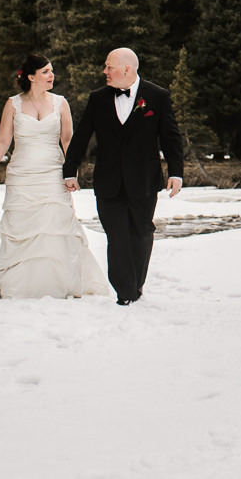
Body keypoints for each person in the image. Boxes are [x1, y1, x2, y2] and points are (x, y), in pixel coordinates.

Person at [0, 55, 110, 299]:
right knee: (23, 227)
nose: (52, 76)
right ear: (31, 77)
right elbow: (3, 140)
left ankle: (60, 282)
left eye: (52, 71)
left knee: (55, 225)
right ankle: (22, 285)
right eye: (46, 72)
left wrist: (71, 173)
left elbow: (68, 140)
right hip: (22, 174)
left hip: (53, 172)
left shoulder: (60, 103)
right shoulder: (13, 104)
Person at [63, 47, 184, 305]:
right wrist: (70, 169)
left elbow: (171, 137)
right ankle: (125, 292)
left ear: (126, 69)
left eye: (109, 67)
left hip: (144, 180)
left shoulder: (157, 96)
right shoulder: (98, 98)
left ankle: (135, 285)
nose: (104, 71)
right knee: (116, 235)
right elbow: (82, 134)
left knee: (141, 233)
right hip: (108, 181)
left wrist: (176, 172)